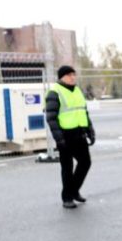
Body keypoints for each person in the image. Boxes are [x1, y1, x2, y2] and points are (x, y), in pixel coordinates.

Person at [45, 65, 96, 209]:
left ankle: (73, 191)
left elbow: (83, 112)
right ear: (62, 77)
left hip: (79, 133)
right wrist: (59, 139)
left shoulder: (77, 91)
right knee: (67, 167)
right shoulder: (54, 93)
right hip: (65, 135)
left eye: (74, 74)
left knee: (85, 162)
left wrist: (90, 130)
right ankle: (67, 197)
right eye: (69, 75)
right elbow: (51, 118)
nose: (73, 77)